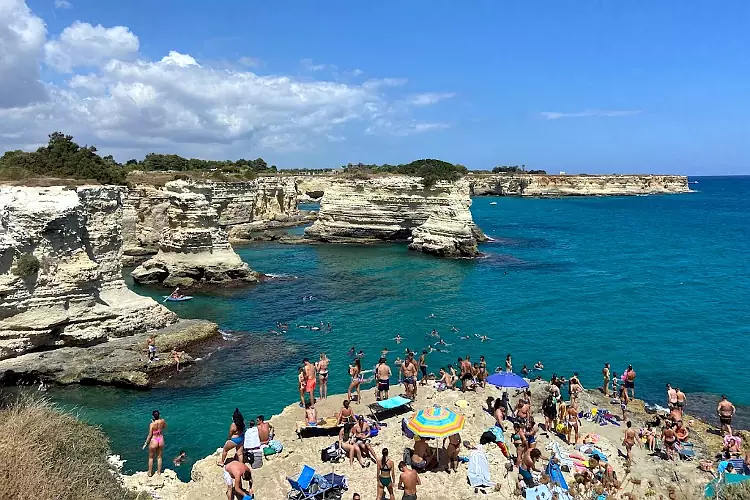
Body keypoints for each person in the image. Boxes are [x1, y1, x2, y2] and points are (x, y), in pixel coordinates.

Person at [142, 410, 166, 477]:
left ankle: (150, 473)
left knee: (151, 458)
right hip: (160, 439)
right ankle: (159, 472)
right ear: (159, 415)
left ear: (153, 416)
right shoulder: (162, 421)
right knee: (159, 457)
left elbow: (150, 435)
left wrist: (145, 444)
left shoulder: (152, 424)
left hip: (154, 440)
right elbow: (164, 427)